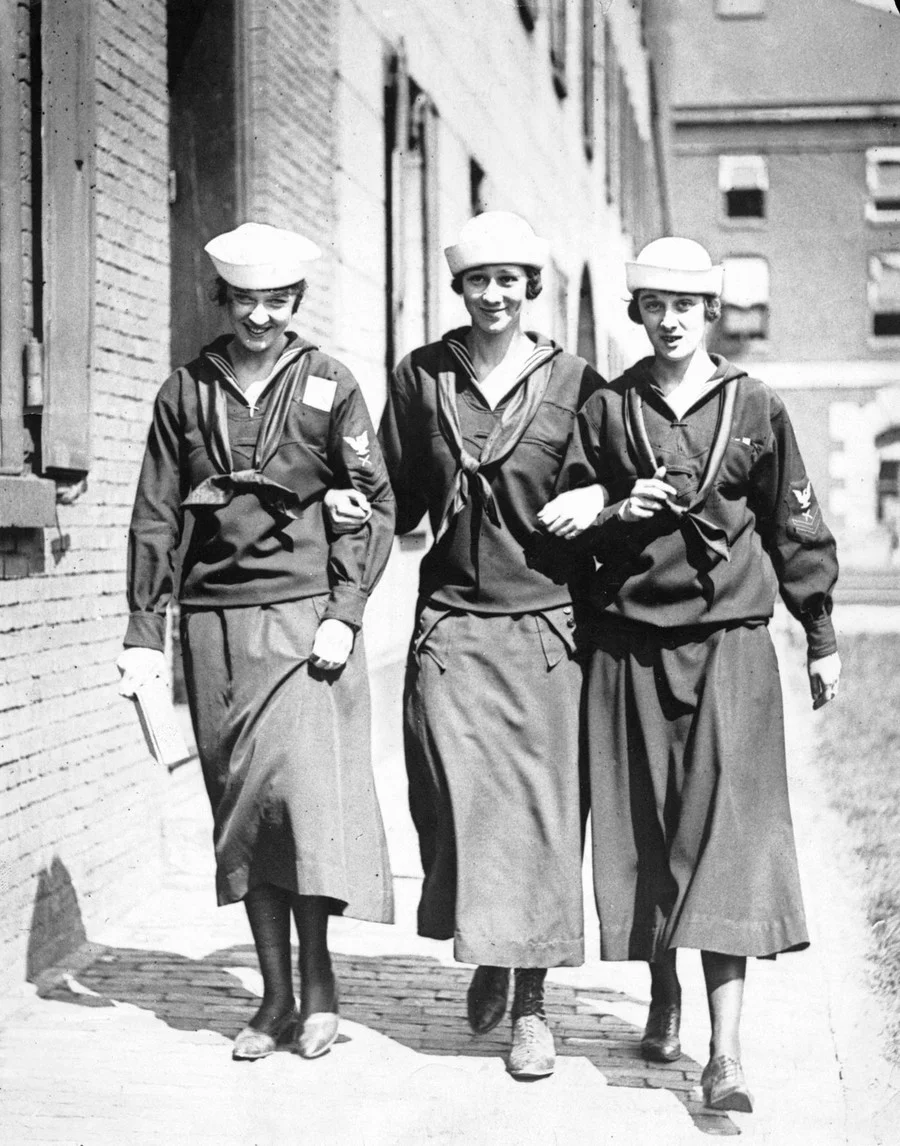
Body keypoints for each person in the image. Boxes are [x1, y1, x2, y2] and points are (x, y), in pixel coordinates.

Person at [543, 237, 841, 1112]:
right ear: (636, 313)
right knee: (646, 828)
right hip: (630, 646)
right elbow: (562, 528)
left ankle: (727, 1055)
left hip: (731, 647)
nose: (669, 320)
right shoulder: (608, 411)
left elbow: (796, 523)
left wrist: (819, 634)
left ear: (710, 313)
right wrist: (606, 510)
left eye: (686, 305)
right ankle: (661, 988)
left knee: (730, 837)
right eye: (654, 305)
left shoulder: (755, 405)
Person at [116, 222, 395, 1062]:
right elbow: (156, 515)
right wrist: (142, 631)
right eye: (247, 300)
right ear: (224, 300)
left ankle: (319, 989)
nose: (261, 317)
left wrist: (347, 611)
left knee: (302, 808)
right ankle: (273, 997)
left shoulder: (328, 383)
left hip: (306, 623)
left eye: (277, 302)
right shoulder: (186, 392)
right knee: (242, 814)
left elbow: (371, 501)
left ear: (295, 303)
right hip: (215, 626)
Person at [371, 211, 606, 1078]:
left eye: (511, 280)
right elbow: (394, 493)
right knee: (451, 803)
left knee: (541, 819)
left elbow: (621, 478)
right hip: (453, 623)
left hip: (546, 623)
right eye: (480, 281)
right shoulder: (424, 376)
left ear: (530, 289)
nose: (495, 294)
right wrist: (351, 512)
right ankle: (489, 947)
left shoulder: (576, 381)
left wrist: (601, 502)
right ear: (460, 288)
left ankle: (531, 1002)